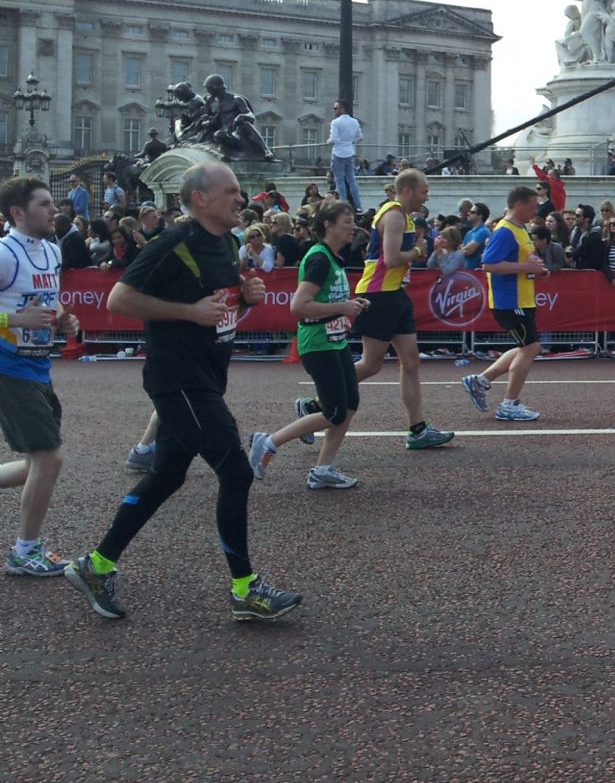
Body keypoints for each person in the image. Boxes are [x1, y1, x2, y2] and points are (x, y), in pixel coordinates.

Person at [64, 162, 301, 622]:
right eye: (231, 190)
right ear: (200, 198)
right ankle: (245, 590)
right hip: (180, 380)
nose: (241, 197)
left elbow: (220, 310)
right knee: (236, 472)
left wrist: (245, 297)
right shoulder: (174, 241)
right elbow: (118, 300)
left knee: (167, 477)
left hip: (206, 376)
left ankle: (96, 565)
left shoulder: (227, 243)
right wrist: (188, 313)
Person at [248, 201, 369, 490]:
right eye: (348, 221)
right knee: (335, 412)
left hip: (334, 341)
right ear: (328, 225)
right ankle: (269, 442)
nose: (353, 227)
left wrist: (348, 308)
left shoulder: (333, 257)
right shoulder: (320, 259)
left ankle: (323, 469)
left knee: (350, 405)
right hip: (318, 344)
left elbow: (326, 302)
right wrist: (344, 306)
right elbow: (299, 305)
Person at [0, 178, 79, 577]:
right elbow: (17, 312)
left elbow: (48, 299)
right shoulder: (4, 254)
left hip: (38, 364)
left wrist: (63, 316)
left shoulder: (51, 249)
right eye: (45, 204)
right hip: (8, 366)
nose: (55, 210)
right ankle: (23, 552)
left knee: (38, 461)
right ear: (18, 212)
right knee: (49, 458)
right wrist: (13, 319)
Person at [350, 169, 456, 450]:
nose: (427, 196)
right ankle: (317, 401)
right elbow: (393, 257)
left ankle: (418, 429)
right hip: (378, 294)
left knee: (411, 361)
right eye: (424, 191)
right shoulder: (394, 215)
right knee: (371, 364)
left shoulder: (403, 216)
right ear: (408, 191)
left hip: (394, 293)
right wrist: (418, 252)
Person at [461, 186, 550, 423]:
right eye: (533, 206)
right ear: (520, 205)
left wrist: (537, 271)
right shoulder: (505, 231)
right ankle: (509, 403)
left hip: (521, 298)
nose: (536, 210)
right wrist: (526, 268)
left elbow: (522, 264)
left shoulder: (520, 230)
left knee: (526, 348)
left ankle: (481, 381)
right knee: (530, 348)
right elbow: (488, 264)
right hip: (509, 301)